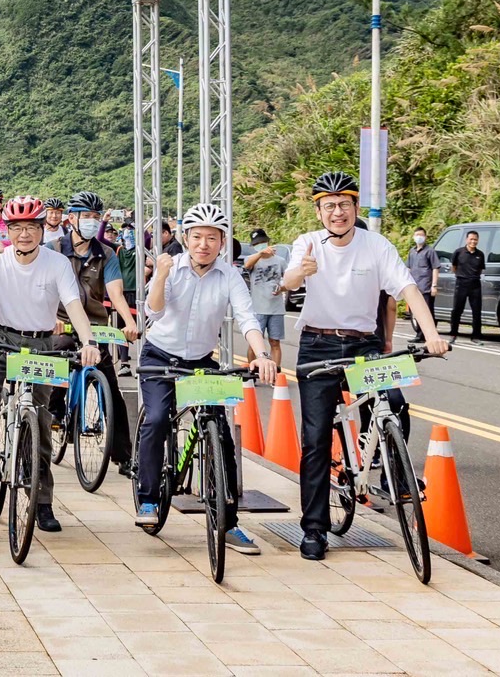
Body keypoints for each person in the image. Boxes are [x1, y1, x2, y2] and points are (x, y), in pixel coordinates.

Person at [280, 171, 449, 561]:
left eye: (344, 204)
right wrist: (297, 275)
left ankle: (394, 471)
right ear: (319, 211)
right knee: (316, 440)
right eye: (329, 206)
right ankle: (315, 529)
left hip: (364, 346)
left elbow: (407, 290)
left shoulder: (377, 245)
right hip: (317, 344)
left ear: (356, 208)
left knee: (393, 401)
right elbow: (288, 280)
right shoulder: (308, 245)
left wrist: (431, 335)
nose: (337, 212)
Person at [135, 203, 277, 553]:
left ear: (223, 242)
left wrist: (261, 355)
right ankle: (148, 500)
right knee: (155, 420)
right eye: (197, 237)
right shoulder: (172, 267)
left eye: (212, 238)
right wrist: (162, 275)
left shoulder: (228, 275)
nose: (204, 244)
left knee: (221, 433)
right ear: (185, 239)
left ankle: (228, 522)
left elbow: (246, 318)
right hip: (159, 356)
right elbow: (153, 310)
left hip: (200, 361)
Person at [0, 195, 101, 534]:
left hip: (38, 345)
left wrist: (88, 342)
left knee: (40, 418)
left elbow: (73, 306)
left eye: (31, 228)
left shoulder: (56, 263)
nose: (24, 235)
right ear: (8, 231)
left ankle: (43, 502)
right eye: (17, 228)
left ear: (41, 230)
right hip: (0, 339)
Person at [55, 192, 134, 477]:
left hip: (95, 327)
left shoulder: (107, 253)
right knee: (56, 359)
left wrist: (128, 322)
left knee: (112, 390)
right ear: (71, 219)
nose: (90, 222)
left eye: (94, 217)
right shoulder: (54, 249)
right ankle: (54, 412)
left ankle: (124, 456)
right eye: (85, 216)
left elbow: (115, 291)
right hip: (60, 323)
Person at [243, 229, 289, 368]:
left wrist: (281, 288)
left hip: (276, 309)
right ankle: (252, 371)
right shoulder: (252, 260)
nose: (261, 245)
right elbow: (247, 265)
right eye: (258, 244)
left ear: (268, 242)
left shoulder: (280, 261)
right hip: (258, 309)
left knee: (275, 342)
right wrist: (260, 254)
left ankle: (275, 372)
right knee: (254, 343)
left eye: (263, 242)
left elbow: (289, 282)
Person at [449, 229, 485, 339]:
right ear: (467, 240)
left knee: (477, 311)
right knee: (457, 310)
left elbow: (480, 270)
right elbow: (454, 268)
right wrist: (462, 275)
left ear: (478, 240)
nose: (473, 242)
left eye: (475, 239)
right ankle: (454, 334)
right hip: (461, 283)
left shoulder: (480, 254)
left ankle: (476, 336)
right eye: (471, 239)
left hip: (475, 284)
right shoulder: (459, 252)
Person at [405, 227, 439, 321]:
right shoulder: (412, 252)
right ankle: (419, 333)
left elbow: (435, 268)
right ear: (413, 237)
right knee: (416, 311)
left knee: (427, 311)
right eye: (417, 235)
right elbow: (408, 268)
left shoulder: (430, 251)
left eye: (421, 235)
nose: (419, 237)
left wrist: (434, 286)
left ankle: (424, 334)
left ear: (425, 237)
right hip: (415, 287)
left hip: (426, 288)